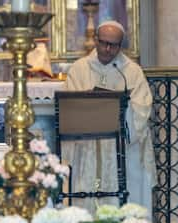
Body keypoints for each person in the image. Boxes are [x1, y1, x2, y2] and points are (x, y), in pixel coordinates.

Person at [64, 20, 156, 216]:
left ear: (120, 45)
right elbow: (69, 106)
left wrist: (125, 109)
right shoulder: (79, 69)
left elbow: (142, 108)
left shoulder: (131, 71)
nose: (107, 49)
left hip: (121, 149)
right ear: (95, 40)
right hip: (88, 147)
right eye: (103, 42)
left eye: (113, 45)